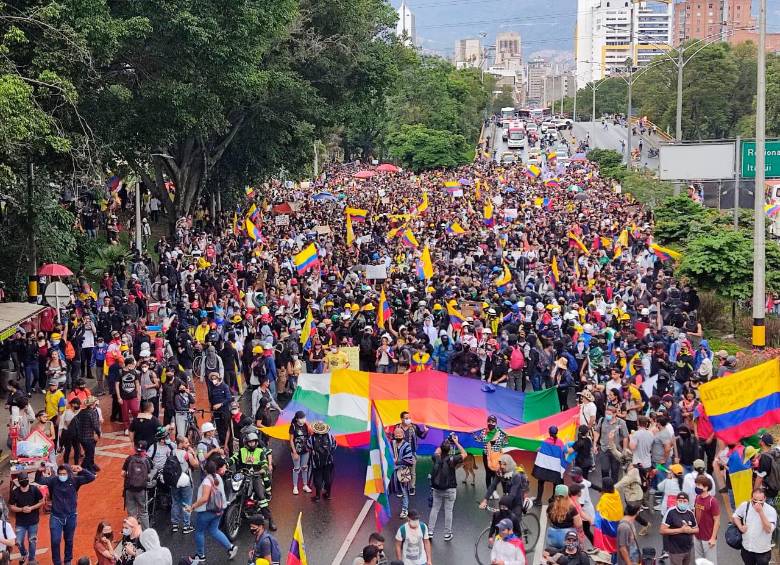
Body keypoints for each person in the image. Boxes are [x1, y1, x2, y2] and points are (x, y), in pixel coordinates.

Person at [37, 464, 96, 565]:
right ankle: (57, 562)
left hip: (71, 516)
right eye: (60, 474)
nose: (62, 476)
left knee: (69, 540)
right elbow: (39, 480)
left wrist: (82, 470)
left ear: (69, 473)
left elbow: (91, 477)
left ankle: (68, 560)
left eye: (64, 474)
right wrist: (39, 471)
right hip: (56, 517)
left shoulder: (75, 480)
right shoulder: (53, 480)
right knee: (55, 541)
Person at [185, 457, 238, 562]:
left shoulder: (207, 481)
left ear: (205, 470)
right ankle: (230, 547)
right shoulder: (218, 477)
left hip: (207, 511)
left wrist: (193, 506)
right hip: (219, 509)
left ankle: (200, 555)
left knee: (199, 531)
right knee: (214, 530)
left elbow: (205, 498)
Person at [228, 431, 276, 530]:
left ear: (256, 442)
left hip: (255, 476)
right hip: (243, 475)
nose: (252, 444)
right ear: (246, 443)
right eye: (250, 442)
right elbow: (233, 458)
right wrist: (225, 464)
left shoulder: (260, 451)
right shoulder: (242, 451)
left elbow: (264, 464)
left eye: (253, 442)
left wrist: (262, 470)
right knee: (232, 490)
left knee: (261, 497)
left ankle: (270, 519)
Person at [428, 433, 465, 541]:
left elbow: (437, 451)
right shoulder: (453, 459)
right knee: (448, 511)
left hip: (437, 489)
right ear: (449, 450)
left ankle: (430, 532)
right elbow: (464, 453)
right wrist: (456, 442)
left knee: (435, 509)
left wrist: (444, 442)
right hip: (450, 489)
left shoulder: (436, 457)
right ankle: (447, 533)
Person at [732, 487, 777, 565]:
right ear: (751, 498)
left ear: (765, 499)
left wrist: (760, 512)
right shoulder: (745, 505)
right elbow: (735, 516)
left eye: (760, 501)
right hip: (747, 548)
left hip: (762, 551)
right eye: (755, 500)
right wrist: (740, 527)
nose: (757, 503)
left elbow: (769, 530)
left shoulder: (771, 510)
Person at [8, 472, 44, 565]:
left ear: (28, 480)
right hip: (20, 522)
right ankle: (24, 554)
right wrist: (21, 509)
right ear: (19, 482)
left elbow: (42, 501)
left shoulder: (34, 489)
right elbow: (11, 506)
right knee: (18, 541)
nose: (24, 481)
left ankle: (32, 559)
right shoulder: (15, 492)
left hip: (33, 521)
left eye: (25, 479)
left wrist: (31, 508)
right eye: (22, 480)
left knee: (32, 541)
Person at [392, 411, 428, 495]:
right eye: (406, 418)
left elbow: (422, 436)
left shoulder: (414, 427)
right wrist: (387, 433)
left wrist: (426, 431)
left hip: (411, 453)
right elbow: (393, 438)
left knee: (412, 472)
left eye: (409, 418)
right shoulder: (397, 427)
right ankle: (400, 489)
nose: (408, 419)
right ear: (401, 419)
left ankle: (412, 487)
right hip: (400, 453)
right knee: (400, 471)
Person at [660, 491, 698, 565]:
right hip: (675, 551)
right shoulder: (671, 512)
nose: (682, 503)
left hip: (688, 549)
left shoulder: (690, 513)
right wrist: (681, 530)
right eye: (680, 501)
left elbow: (696, 529)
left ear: (688, 502)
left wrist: (690, 530)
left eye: (684, 501)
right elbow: (662, 530)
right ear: (676, 501)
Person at [170, 435, 198, 534]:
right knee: (187, 503)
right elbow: (196, 465)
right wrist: (194, 454)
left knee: (175, 502)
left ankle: (175, 525)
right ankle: (186, 526)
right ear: (181, 443)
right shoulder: (187, 454)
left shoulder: (172, 452)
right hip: (185, 481)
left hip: (174, 481)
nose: (188, 444)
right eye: (186, 443)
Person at [474, 415, 509, 493]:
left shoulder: (500, 433)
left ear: (496, 423)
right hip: (486, 455)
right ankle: (489, 491)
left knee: (495, 473)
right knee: (488, 473)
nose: (491, 423)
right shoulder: (484, 431)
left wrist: (506, 438)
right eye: (489, 421)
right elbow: (482, 440)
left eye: (493, 422)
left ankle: (494, 490)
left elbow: (504, 444)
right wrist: (474, 435)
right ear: (487, 422)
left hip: (496, 456)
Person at [122, 441, 153, 529]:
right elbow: (149, 475)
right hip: (141, 491)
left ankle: (133, 533)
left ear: (136, 449)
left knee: (131, 514)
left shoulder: (129, 459)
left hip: (129, 489)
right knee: (143, 513)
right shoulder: (147, 460)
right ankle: (146, 532)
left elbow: (122, 473)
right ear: (145, 450)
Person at [533, 426, 566, 503]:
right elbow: (563, 453)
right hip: (555, 468)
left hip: (544, 467)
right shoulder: (560, 443)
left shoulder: (545, 442)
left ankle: (538, 500)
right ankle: (553, 499)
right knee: (555, 483)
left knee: (541, 482)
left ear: (549, 432)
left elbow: (540, 450)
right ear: (557, 432)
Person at [546, 484, 582, 551]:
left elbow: (549, 520)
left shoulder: (551, 506)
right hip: (568, 538)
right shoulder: (571, 509)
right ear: (567, 495)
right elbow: (578, 524)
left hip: (553, 537)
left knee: (552, 554)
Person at [692, 475, 719, 565]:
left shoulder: (712, 501)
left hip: (708, 537)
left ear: (706, 487)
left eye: (699, 485)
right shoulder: (697, 498)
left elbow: (717, 521)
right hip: (697, 535)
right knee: (698, 560)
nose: (696, 487)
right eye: (696, 485)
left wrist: (713, 538)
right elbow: (695, 513)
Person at [309, 420, 337, 502]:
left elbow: (308, 446)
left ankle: (317, 497)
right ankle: (328, 494)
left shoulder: (312, 438)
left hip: (316, 462)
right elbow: (334, 446)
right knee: (328, 478)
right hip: (328, 461)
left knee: (318, 478)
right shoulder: (330, 436)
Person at [391, 426, 415, 519]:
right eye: (396, 434)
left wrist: (397, 462)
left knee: (404, 492)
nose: (398, 435)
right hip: (392, 472)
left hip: (402, 473)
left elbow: (409, 461)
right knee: (387, 490)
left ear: (403, 435)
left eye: (399, 434)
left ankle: (405, 509)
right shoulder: (391, 444)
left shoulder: (407, 446)